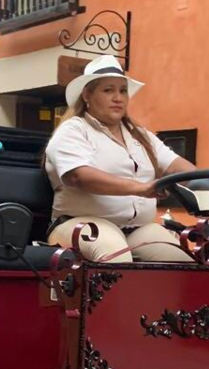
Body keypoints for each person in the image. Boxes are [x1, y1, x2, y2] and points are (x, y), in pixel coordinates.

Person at [44, 55, 198, 263]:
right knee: (117, 258)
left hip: (137, 229)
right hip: (80, 223)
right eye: (108, 90)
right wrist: (140, 188)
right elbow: (79, 176)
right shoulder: (73, 130)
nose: (118, 98)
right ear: (87, 95)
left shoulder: (140, 135)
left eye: (122, 90)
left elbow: (175, 166)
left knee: (185, 263)